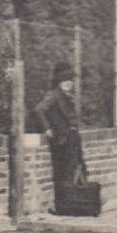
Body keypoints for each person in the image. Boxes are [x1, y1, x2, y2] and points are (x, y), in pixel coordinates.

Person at [28, 62, 88, 199]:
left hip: (72, 138)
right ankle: (65, 201)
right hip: (61, 139)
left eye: (70, 81)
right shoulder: (54, 95)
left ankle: (76, 200)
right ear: (59, 82)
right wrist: (47, 128)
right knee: (63, 171)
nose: (68, 84)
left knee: (76, 167)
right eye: (65, 81)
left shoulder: (68, 97)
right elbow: (39, 110)